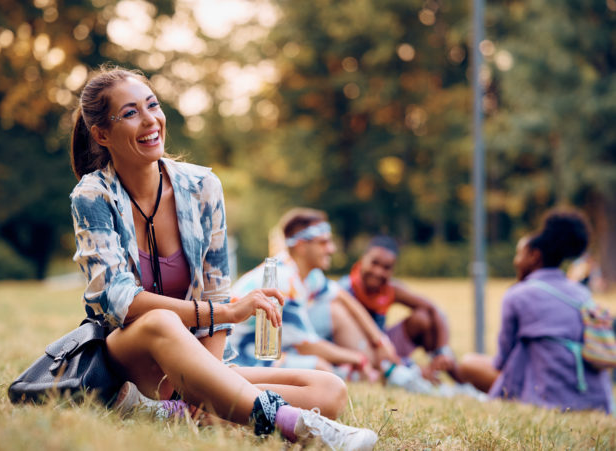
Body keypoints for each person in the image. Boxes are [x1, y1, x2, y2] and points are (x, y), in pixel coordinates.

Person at [68, 65, 378, 449]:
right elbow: (120, 301)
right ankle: (294, 424)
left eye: (153, 105)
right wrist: (227, 314)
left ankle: (184, 409)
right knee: (160, 320)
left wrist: (208, 378)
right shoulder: (93, 196)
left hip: (195, 360)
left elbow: (215, 290)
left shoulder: (202, 187)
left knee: (329, 388)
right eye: (130, 113)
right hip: (131, 360)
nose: (150, 120)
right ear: (101, 134)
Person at [454, 208, 613, 413]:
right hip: (596, 398)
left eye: (519, 254)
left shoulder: (518, 295)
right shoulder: (582, 293)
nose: (515, 261)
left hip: (549, 396)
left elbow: (501, 362)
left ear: (534, 256)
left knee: (468, 364)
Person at [229, 208, 401, 382]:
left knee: (336, 309)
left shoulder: (308, 275)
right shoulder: (284, 280)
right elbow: (306, 346)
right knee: (320, 368)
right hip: (244, 356)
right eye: (323, 243)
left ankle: (381, 368)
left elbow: (342, 297)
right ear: (302, 246)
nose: (331, 249)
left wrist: (380, 341)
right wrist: (357, 358)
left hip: (274, 345)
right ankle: (377, 370)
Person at [338, 236, 456, 383]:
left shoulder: (389, 289)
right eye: (374, 263)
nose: (378, 272)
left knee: (423, 318)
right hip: (353, 348)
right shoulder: (343, 290)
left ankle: (453, 374)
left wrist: (442, 349)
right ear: (363, 259)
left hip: (383, 346)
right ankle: (415, 372)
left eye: (386, 267)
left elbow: (434, 309)